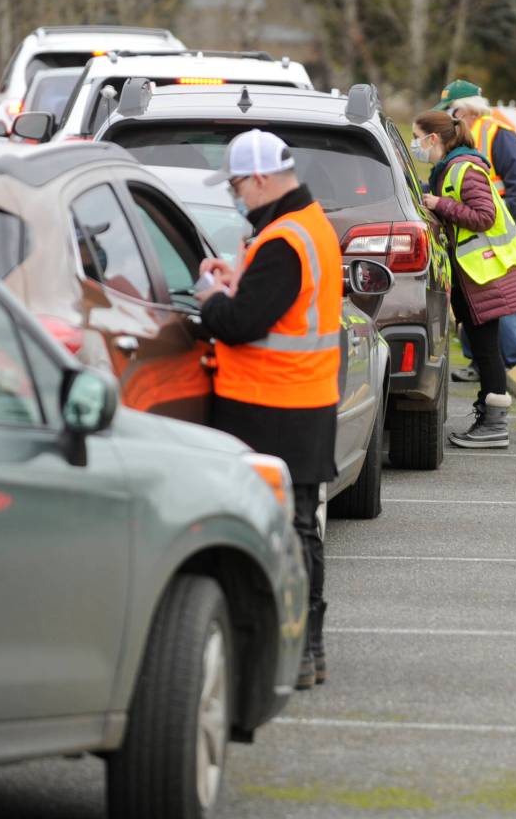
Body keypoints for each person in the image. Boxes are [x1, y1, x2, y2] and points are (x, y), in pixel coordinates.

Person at [195, 128, 342, 689]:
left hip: (271, 404)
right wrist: (242, 284)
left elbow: (241, 325)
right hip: (302, 401)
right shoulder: (307, 226)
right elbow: (283, 305)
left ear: (259, 179)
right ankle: (309, 650)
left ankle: (298, 649)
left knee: (291, 531)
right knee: (303, 528)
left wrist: (211, 301)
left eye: (235, 184)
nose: (234, 195)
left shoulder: (283, 239)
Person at [412, 110, 516, 449]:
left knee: (487, 350)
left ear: (434, 139)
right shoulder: (449, 169)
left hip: (482, 276)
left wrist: (440, 203)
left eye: (417, 137)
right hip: (472, 277)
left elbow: (483, 216)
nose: (416, 144)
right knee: (485, 349)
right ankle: (489, 418)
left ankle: (494, 424)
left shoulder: (464, 170)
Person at [433, 79, 516, 376]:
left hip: (501, 230)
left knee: (502, 295)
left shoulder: (498, 135)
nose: (448, 117)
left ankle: (515, 360)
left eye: (451, 111)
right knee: (477, 294)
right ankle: (481, 361)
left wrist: (512, 225)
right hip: (476, 228)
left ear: (467, 110)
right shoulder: (465, 137)